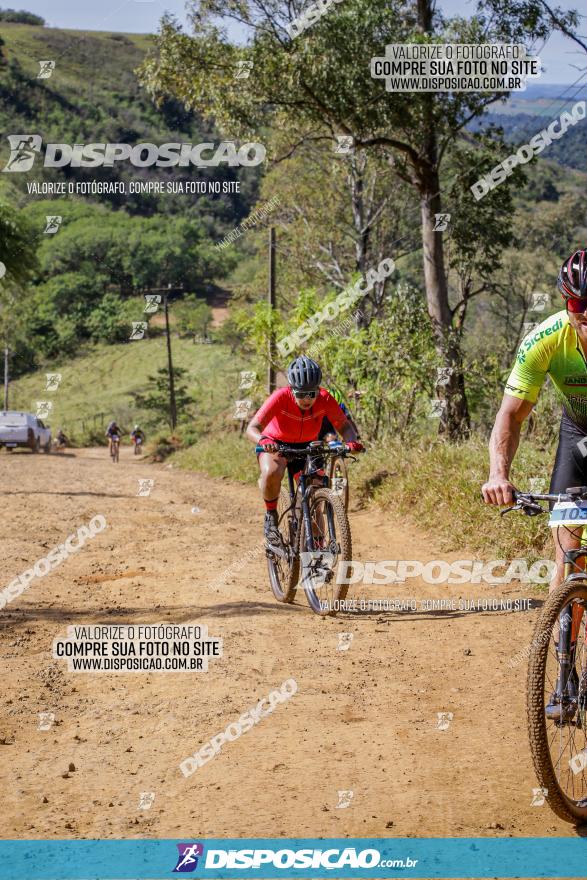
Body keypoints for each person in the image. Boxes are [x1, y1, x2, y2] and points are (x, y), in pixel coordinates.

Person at [482, 248, 587, 719]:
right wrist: (499, 473)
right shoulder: (546, 338)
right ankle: (565, 676)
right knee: (567, 560)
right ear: (568, 307)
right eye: (580, 315)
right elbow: (511, 413)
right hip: (579, 437)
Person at [246, 355, 363, 545]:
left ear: (318, 389)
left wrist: (351, 441)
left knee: (316, 488)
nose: (307, 399)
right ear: (292, 389)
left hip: (308, 446)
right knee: (272, 472)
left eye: (311, 393)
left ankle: (316, 550)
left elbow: (344, 426)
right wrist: (264, 440)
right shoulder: (280, 396)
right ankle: (271, 517)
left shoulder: (325, 398)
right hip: (276, 443)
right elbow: (252, 428)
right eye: (301, 393)